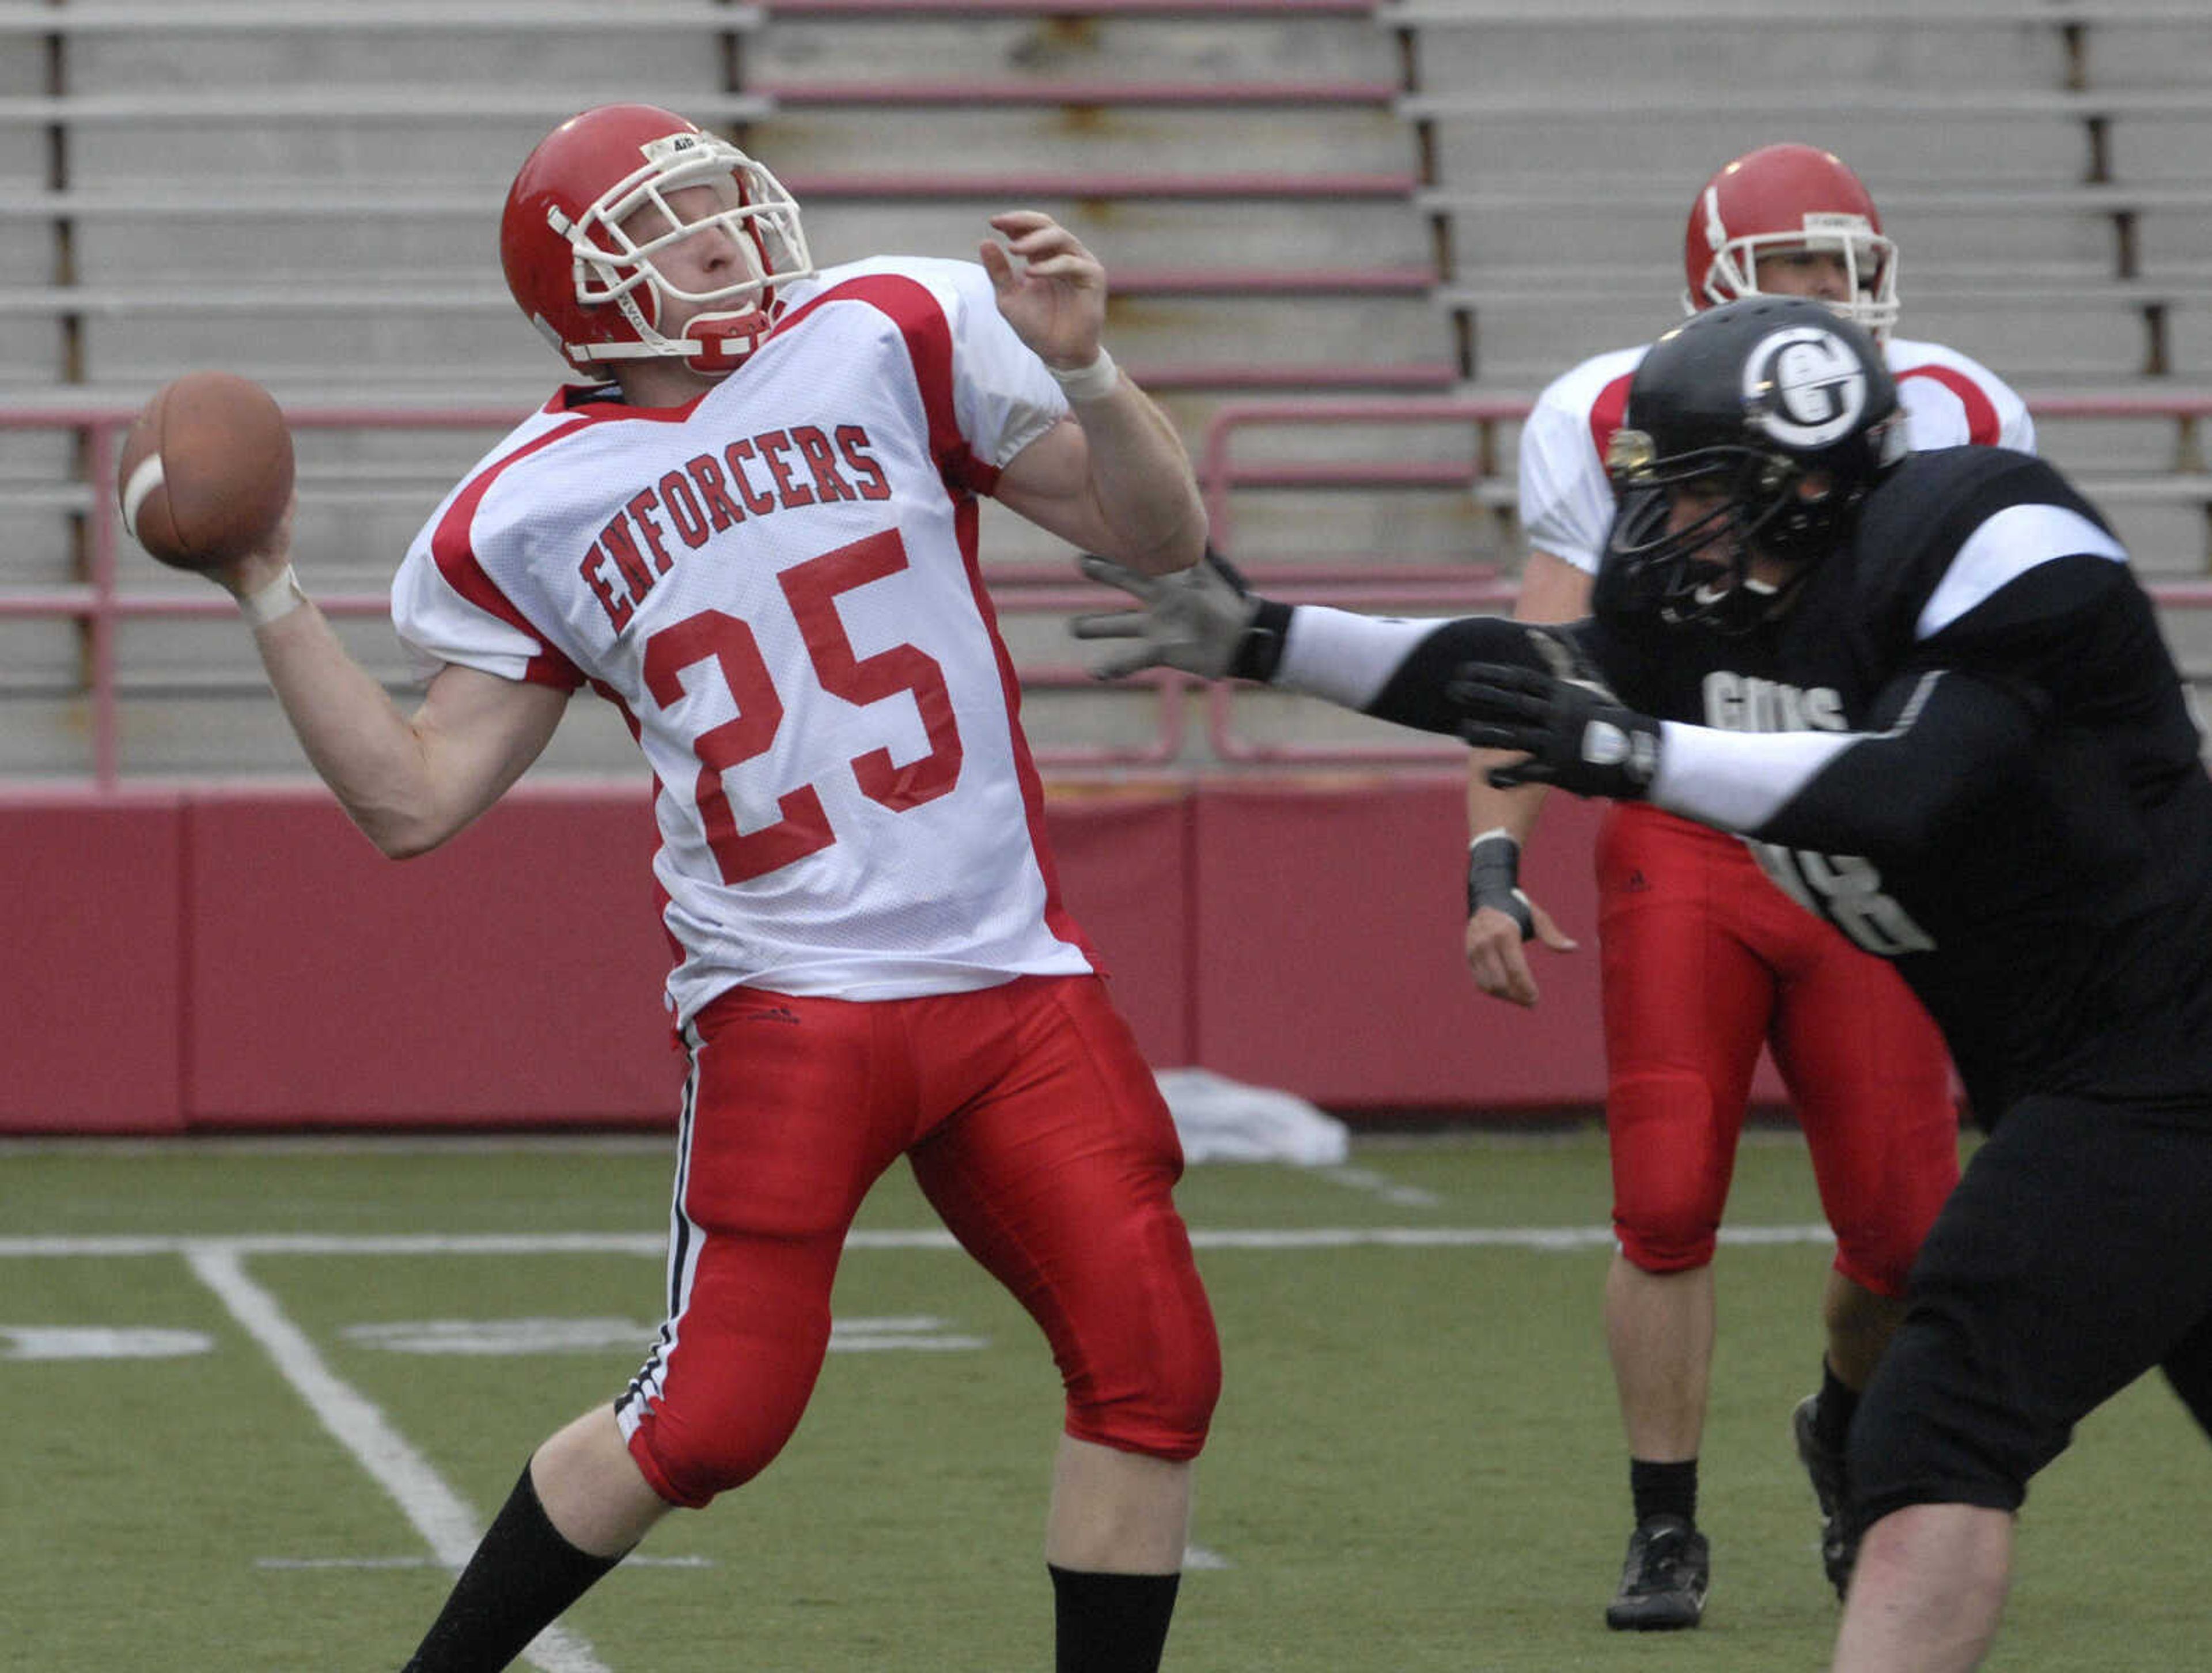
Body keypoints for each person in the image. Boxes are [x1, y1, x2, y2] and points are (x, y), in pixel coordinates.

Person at [188, 103, 1221, 1673]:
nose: (730, 233)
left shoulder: (889, 325)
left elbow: (1163, 534)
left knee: (1156, 1366)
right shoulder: (525, 504)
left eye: (723, 200)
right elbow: (414, 801)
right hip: (790, 1001)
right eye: (671, 224)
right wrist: (271, 591)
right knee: (715, 1416)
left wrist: (1089, 367)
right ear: (591, 286)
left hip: (1012, 979)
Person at [1074, 293, 2212, 1673]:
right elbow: (1527, 673)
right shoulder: (1732, 605)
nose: (1667, 528)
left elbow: (1913, 788)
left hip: (2166, 1060)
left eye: (1698, 492)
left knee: (1938, 1423)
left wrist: (1632, 757)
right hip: (2084, 1068)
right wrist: (1269, 639)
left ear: (1805, 479)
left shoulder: (1989, 536)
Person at [1460, 142, 2033, 1627]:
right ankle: (1667, 1526)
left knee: (1909, 1234)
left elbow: (2003, 652)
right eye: (1797, 267)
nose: (1832, 296)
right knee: (1664, 1198)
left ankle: (1845, 1429)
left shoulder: (1956, 402)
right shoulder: (1610, 410)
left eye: (1850, 263)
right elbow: (1548, 650)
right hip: (1685, 828)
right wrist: (1493, 856)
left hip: (1861, 843)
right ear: (1720, 282)